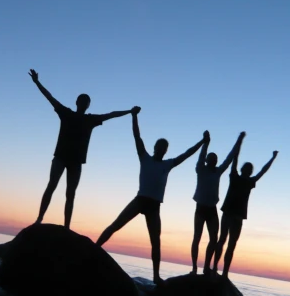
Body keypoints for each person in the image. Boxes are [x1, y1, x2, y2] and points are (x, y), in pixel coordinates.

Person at [97, 107, 207, 285]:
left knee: (156, 242)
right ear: (155, 148)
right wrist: (134, 116)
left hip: (154, 206)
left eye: (164, 148)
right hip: (140, 200)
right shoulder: (145, 158)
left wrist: (202, 141)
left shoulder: (168, 164)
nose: (161, 149)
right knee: (115, 225)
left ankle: (156, 276)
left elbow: (186, 154)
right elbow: (137, 137)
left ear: (165, 150)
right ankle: (95, 249)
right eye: (159, 146)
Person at [29, 69, 134, 229]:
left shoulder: (90, 119)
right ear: (77, 102)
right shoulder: (66, 113)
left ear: (87, 105)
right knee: (52, 185)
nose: (84, 104)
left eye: (86, 102)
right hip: (60, 157)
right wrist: (37, 82)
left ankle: (66, 227)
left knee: (70, 194)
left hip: (76, 162)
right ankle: (39, 219)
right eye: (82, 101)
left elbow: (111, 114)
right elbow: (49, 97)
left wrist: (129, 111)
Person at [212, 149, 279, 279]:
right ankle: (216, 269)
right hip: (230, 214)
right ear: (244, 170)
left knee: (228, 243)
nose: (247, 170)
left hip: (235, 216)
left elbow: (263, 171)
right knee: (224, 241)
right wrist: (239, 145)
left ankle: (223, 272)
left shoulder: (247, 181)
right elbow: (236, 162)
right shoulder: (236, 177)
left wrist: (272, 158)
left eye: (249, 169)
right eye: (247, 168)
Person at [190, 130, 246, 275]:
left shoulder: (218, 171)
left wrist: (239, 141)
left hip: (212, 209)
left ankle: (207, 267)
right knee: (197, 237)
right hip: (200, 208)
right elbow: (202, 155)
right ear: (208, 160)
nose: (214, 160)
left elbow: (230, 157)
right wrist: (206, 143)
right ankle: (195, 268)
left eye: (215, 159)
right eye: (211, 158)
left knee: (214, 239)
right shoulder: (200, 169)